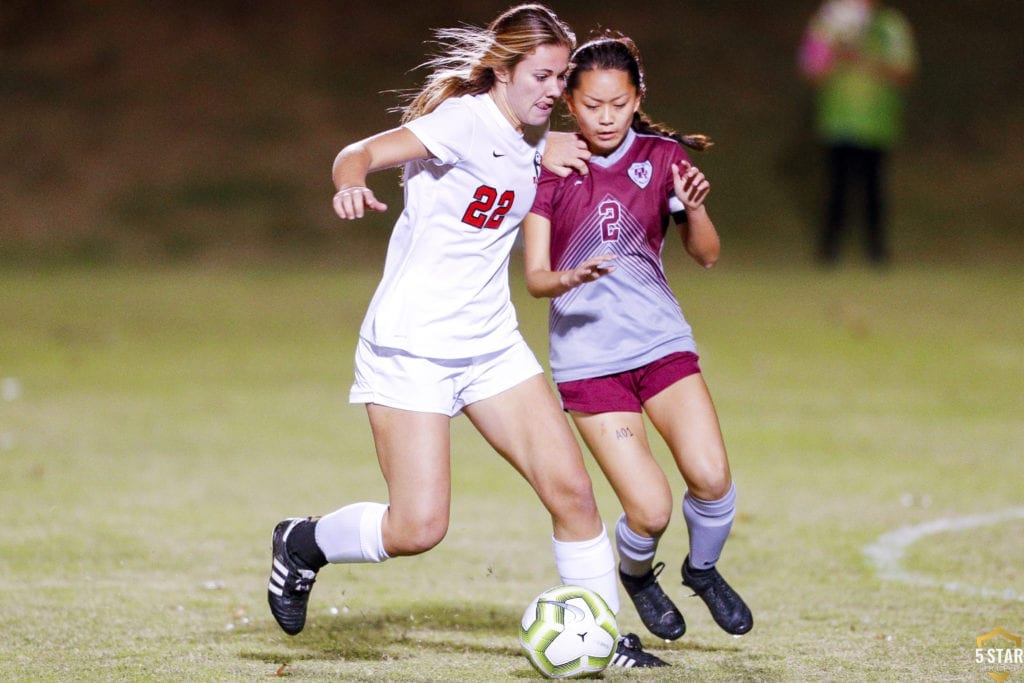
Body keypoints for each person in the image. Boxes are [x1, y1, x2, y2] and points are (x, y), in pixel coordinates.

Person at [266, 5, 666, 668]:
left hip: (491, 344)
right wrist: (350, 182)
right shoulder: (462, 122)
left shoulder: (538, 138)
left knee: (572, 492)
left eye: (560, 76)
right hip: (413, 346)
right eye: (541, 75)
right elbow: (359, 151)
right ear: (502, 71)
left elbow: (580, 152)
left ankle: (608, 637)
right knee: (417, 526)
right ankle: (302, 542)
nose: (552, 90)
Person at [522, 33, 753, 642]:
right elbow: (536, 279)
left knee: (710, 476)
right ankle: (638, 575)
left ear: (637, 98)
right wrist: (570, 276)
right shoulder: (551, 167)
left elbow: (705, 256)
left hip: (661, 346)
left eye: (618, 105)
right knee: (649, 509)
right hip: (590, 364)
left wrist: (697, 210)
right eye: (592, 104)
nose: (605, 117)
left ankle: (702, 572)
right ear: (569, 100)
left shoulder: (664, 158)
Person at [799, 0, 917, 265]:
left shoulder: (890, 24)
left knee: (874, 189)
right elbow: (811, 69)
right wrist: (836, 52)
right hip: (837, 120)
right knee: (837, 187)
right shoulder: (828, 21)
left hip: (877, 123)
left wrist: (864, 57)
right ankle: (829, 250)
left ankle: (877, 251)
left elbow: (904, 72)